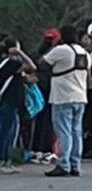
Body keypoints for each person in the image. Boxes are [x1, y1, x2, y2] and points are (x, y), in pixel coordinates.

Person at [42, 25, 90, 177]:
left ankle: (63, 163)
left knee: (63, 131)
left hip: (63, 96)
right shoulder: (85, 53)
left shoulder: (61, 50)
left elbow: (42, 63)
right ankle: (75, 164)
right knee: (76, 131)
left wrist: (51, 46)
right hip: (80, 95)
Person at [0, 36, 36, 174]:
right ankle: (3, 160)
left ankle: (7, 159)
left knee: (11, 131)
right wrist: (21, 54)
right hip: (9, 100)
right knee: (6, 132)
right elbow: (32, 66)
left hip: (10, 101)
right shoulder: (10, 63)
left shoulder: (6, 64)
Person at [29, 28, 61, 164]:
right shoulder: (56, 55)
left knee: (40, 120)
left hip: (39, 88)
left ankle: (37, 150)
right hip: (51, 88)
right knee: (48, 120)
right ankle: (46, 150)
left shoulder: (36, 54)